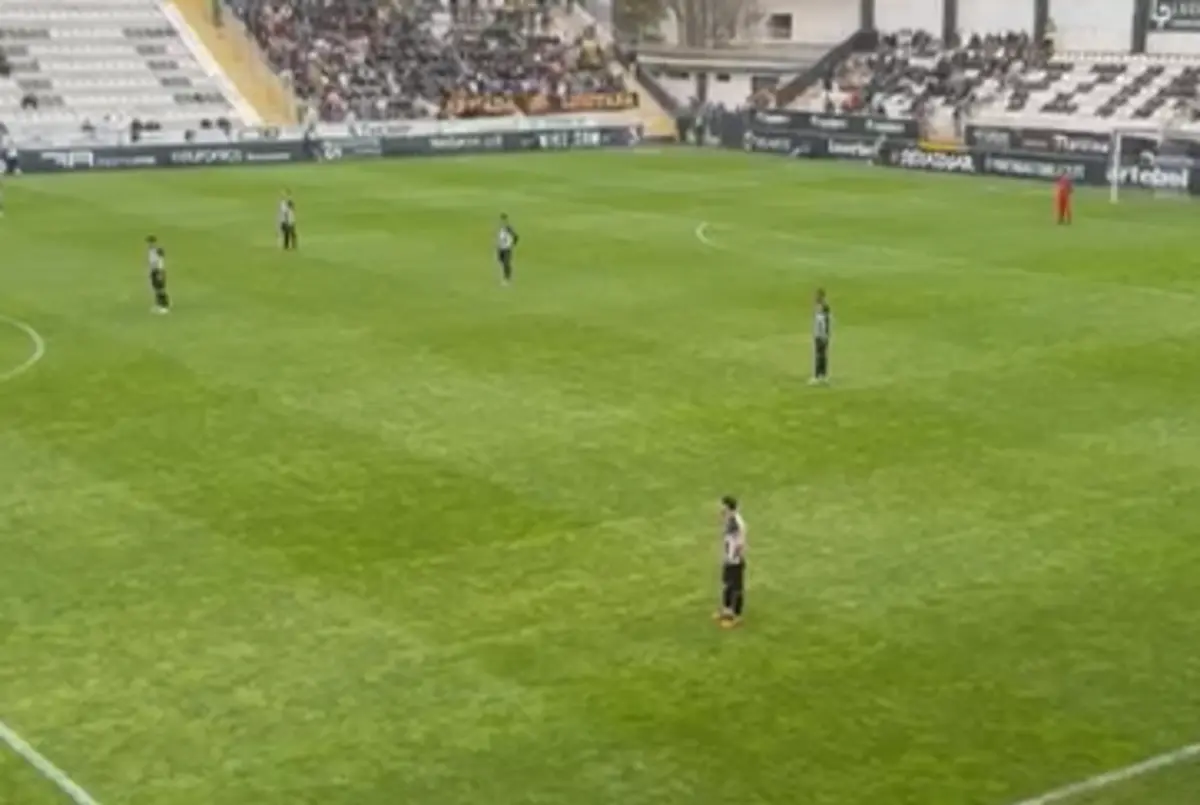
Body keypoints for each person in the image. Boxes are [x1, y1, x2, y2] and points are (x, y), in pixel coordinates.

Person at [714, 495, 747, 628]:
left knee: (736, 588)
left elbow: (741, 540)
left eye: (723, 507)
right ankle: (727, 610)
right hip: (728, 558)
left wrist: (736, 556)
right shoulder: (729, 520)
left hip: (735, 560)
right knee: (727, 584)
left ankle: (737, 615)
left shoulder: (737, 522)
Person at [811, 288, 832, 385]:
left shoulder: (825, 309)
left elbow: (824, 323)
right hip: (818, 335)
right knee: (820, 355)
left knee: (821, 356)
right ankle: (821, 375)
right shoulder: (819, 307)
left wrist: (825, 335)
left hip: (822, 335)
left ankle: (819, 376)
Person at [147, 236, 169, 314]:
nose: (150, 244)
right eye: (149, 242)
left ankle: (164, 305)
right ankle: (158, 304)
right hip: (153, 271)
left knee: (160, 288)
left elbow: (160, 262)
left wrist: (160, 272)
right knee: (155, 289)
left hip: (158, 271)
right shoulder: (150, 251)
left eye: (151, 242)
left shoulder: (158, 250)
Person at [496, 213, 518, 285]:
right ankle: (506, 275)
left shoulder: (509, 228)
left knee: (506, 262)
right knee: (500, 260)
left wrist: (512, 244)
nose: (502, 221)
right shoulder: (501, 228)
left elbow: (516, 236)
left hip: (507, 248)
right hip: (501, 248)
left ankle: (507, 279)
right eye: (501, 220)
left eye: (503, 220)